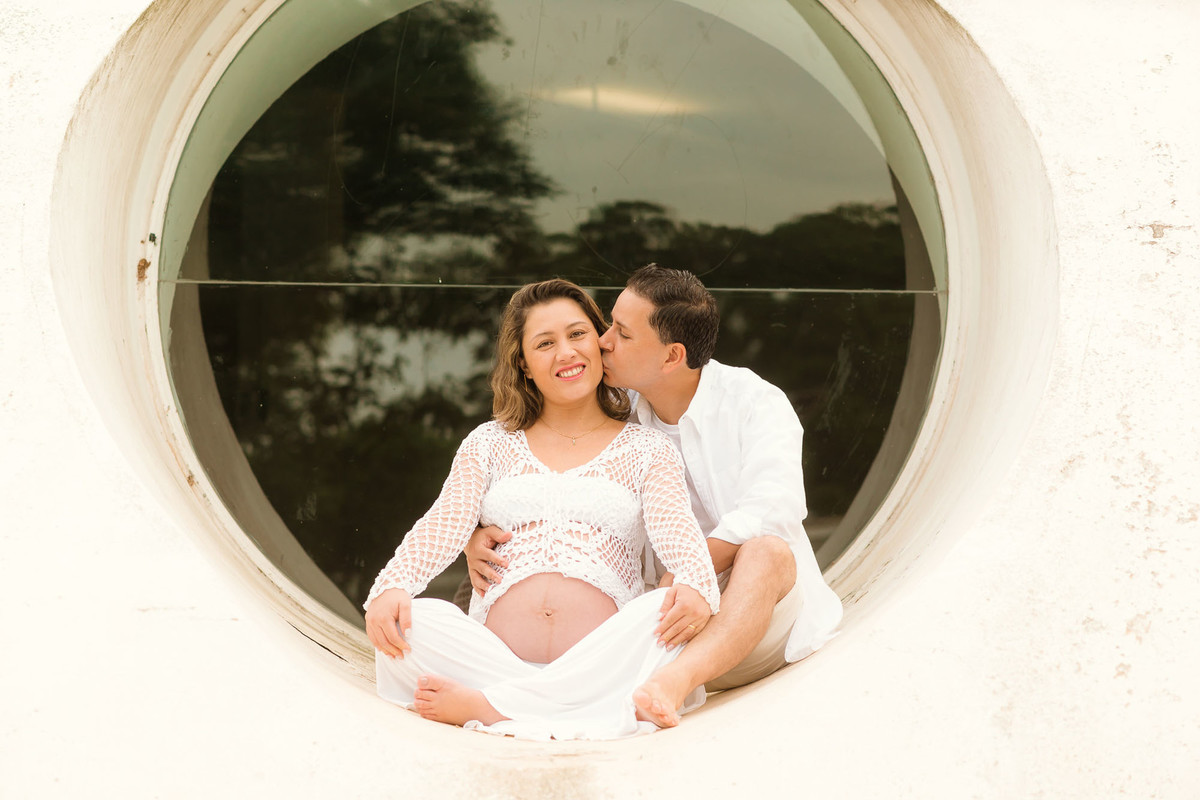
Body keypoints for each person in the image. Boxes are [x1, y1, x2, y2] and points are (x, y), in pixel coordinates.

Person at [467, 264, 843, 727]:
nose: (602, 341)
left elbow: (774, 508)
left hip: (750, 626)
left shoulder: (753, 401)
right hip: (654, 630)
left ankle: (674, 684)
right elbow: (540, 476)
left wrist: (691, 574)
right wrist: (476, 530)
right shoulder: (613, 413)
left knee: (767, 551)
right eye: (608, 324)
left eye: (621, 334)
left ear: (671, 357)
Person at [364, 278, 721, 740]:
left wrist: (695, 586)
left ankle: (496, 707)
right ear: (524, 364)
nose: (566, 353)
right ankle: (574, 708)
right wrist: (391, 587)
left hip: (600, 659)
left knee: (662, 611)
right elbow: (443, 524)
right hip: (493, 658)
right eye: (545, 343)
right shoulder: (489, 443)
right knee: (415, 622)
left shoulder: (648, 449)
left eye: (577, 335)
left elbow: (680, 538)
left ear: (599, 341)